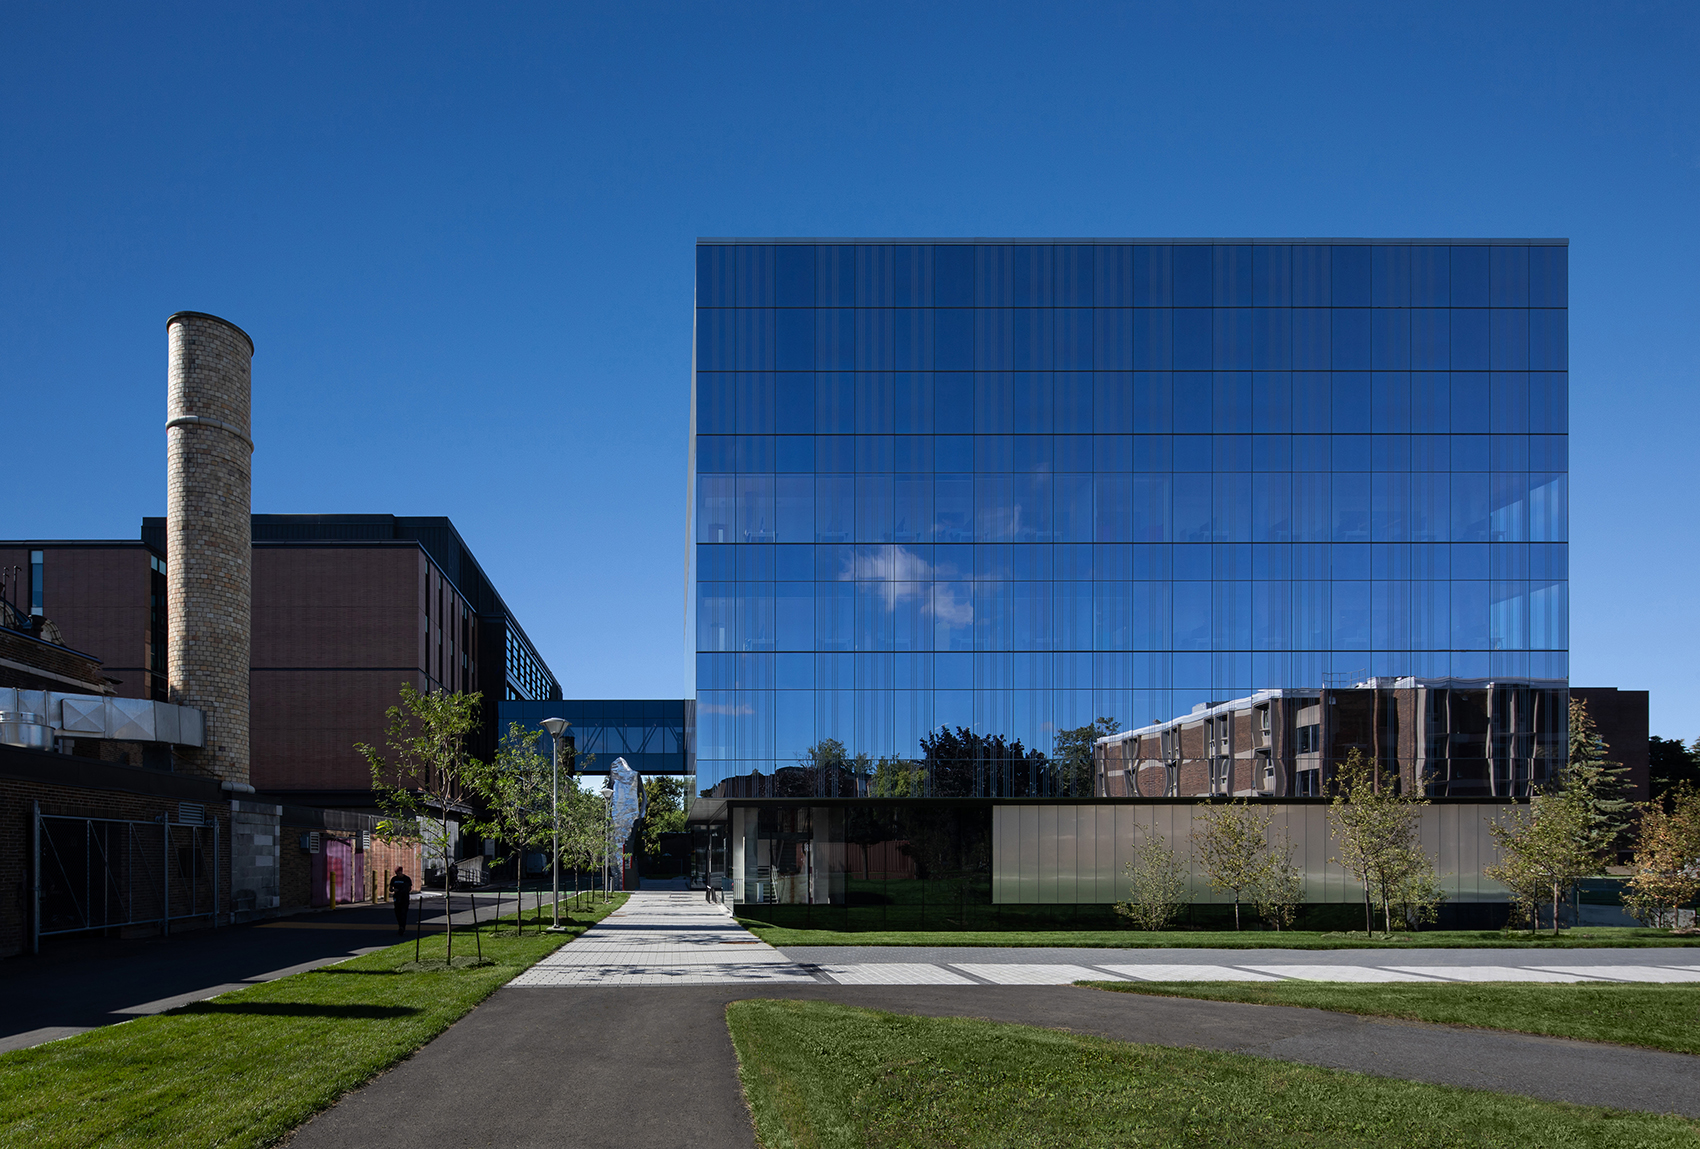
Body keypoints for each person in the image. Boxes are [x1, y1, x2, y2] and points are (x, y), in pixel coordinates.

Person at [389, 866, 413, 935]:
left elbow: (409, 888)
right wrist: (394, 890)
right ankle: (400, 925)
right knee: (397, 913)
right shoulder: (394, 879)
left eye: (399, 873)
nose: (398, 874)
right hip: (397, 897)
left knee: (403, 913)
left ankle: (402, 927)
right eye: (397, 873)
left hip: (404, 898)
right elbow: (390, 888)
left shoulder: (406, 879)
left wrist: (404, 891)